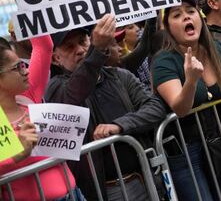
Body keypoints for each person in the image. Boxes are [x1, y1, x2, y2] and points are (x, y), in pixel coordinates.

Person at [45, 14, 167, 200]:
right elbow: (75, 92)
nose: (79, 50)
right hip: (109, 190)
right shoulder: (56, 88)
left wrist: (120, 125)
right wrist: (97, 50)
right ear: (56, 59)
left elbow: (155, 107)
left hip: (147, 176)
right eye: (69, 47)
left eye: (82, 41)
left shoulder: (119, 75)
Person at [151, 0, 221, 201]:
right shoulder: (163, 61)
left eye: (190, 11)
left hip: (220, 146)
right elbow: (180, 108)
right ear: (167, 27)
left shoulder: (217, 50)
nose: (186, 17)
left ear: (200, 17)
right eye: (176, 15)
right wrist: (191, 81)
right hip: (187, 155)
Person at [0, 35, 85, 200]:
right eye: (17, 67)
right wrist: (17, 155)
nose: (26, 70)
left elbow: (44, 46)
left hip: (74, 194)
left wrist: (30, 8)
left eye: (23, 64)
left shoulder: (28, 97)